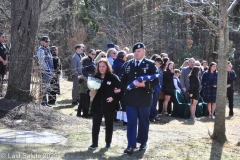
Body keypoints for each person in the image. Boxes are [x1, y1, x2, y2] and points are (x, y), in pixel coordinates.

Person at [120, 42, 159, 154]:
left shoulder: (150, 64)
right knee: (131, 122)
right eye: (135, 51)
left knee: (143, 122)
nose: (137, 53)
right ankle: (130, 145)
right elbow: (123, 80)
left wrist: (145, 85)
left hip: (144, 98)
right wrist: (120, 89)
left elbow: (156, 81)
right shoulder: (128, 64)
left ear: (144, 52)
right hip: (130, 99)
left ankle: (142, 143)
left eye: (139, 51)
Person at [88, 58, 122, 150]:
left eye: (103, 66)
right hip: (97, 106)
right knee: (95, 126)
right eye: (100, 66)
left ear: (107, 67)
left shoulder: (113, 77)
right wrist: (90, 93)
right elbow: (89, 90)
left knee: (109, 125)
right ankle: (94, 144)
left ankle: (108, 143)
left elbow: (120, 91)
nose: (101, 68)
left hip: (109, 106)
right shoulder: (95, 77)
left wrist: (113, 98)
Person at [77, 49, 96, 118]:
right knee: (84, 98)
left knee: (85, 98)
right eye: (92, 54)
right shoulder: (87, 61)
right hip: (85, 81)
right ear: (89, 54)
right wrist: (88, 77)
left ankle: (83, 113)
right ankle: (84, 114)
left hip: (88, 81)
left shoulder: (91, 61)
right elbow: (84, 70)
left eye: (95, 54)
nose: (94, 55)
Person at [36, 36, 54, 107]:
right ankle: (42, 103)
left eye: (48, 42)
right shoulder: (41, 50)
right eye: (46, 42)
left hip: (49, 71)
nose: (48, 43)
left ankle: (45, 102)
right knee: (43, 87)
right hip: (45, 71)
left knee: (46, 87)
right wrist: (46, 70)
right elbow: (41, 62)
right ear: (42, 42)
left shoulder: (47, 49)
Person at [149, 56, 163, 122]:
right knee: (152, 103)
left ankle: (154, 115)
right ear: (156, 62)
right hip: (154, 88)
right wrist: (152, 87)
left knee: (155, 103)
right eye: (159, 63)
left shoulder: (159, 69)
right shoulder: (153, 69)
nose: (160, 64)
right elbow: (152, 79)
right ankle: (151, 116)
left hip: (158, 88)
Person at [0, 32, 8, 96]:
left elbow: (6, 54)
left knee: (2, 78)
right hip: (0, 63)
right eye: (2, 37)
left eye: (4, 37)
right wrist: (3, 61)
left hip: (4, 65)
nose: (4, 38)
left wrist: (6, 60)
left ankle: (1, 91)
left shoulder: (4, 45)